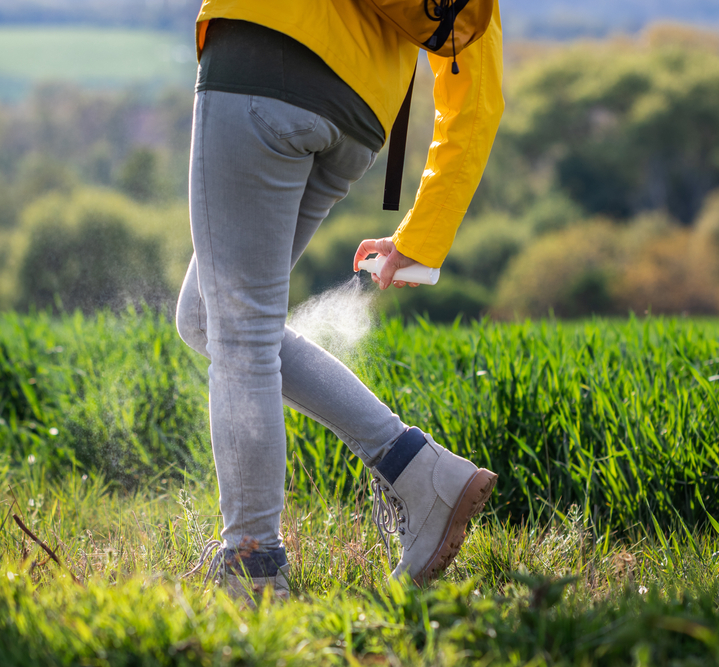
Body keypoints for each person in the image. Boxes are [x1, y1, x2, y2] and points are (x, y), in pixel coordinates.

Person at [176, 0, 504, 600]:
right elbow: (475, 73)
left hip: (264, 60)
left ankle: (252, 572)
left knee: (239, 332)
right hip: (357, 115)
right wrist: (425, 234)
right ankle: (416, 467)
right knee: (207, 316)